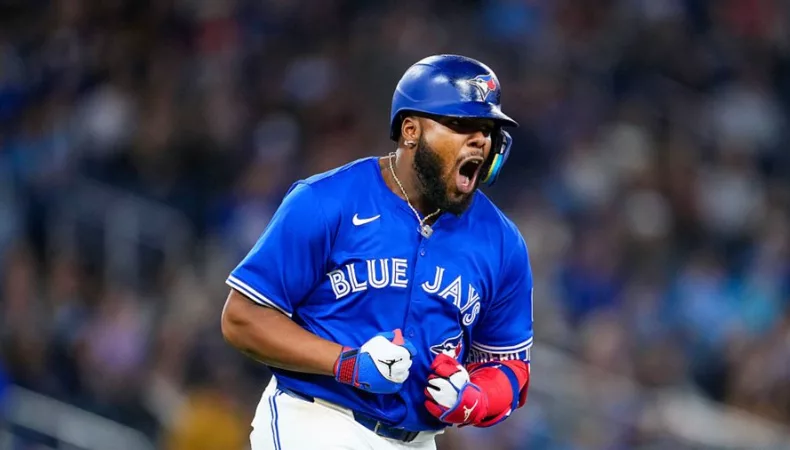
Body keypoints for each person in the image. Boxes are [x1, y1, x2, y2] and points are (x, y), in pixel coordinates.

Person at [221, 54, 534, 450]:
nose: (480, 140)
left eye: (488, 129)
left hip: (418, 441)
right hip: (318, 419)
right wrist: (346, 363)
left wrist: (476, 398)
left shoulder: (503, 244)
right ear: (410, 130)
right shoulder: (326, 201)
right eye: (461, 124)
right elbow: (242, 318)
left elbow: (508, 366)